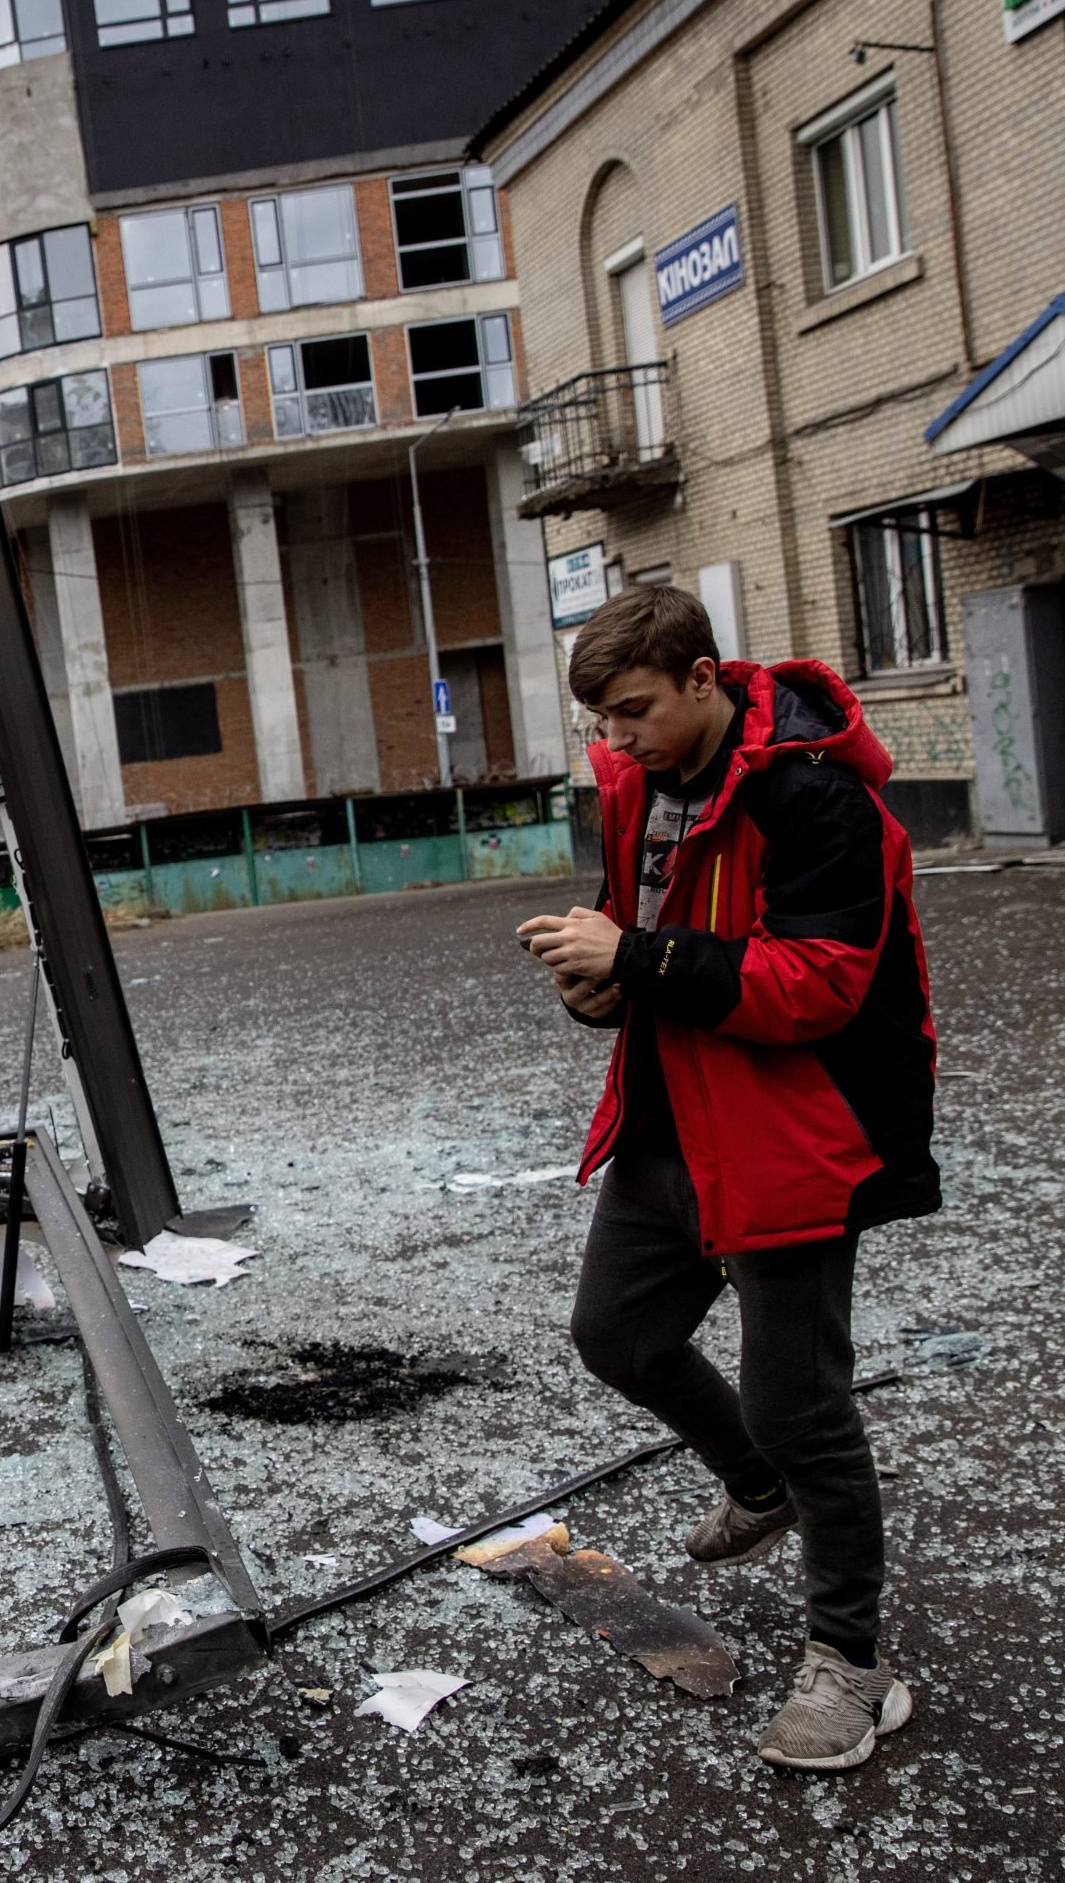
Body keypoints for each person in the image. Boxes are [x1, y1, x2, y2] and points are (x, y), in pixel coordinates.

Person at [518, 586, 937, 1775]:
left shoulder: (812, 788)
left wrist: (638, 957)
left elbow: (820, 983)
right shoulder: (636, 785)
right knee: (618, 1337)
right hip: (669, 1120)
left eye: (635, 710)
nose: (618, 739)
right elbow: (638, 927)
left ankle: (852, 1666)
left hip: (792, 1136)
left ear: (704, 678)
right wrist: (595, 979)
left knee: (799, 1403)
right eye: (600, 719)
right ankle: (759, 1490)